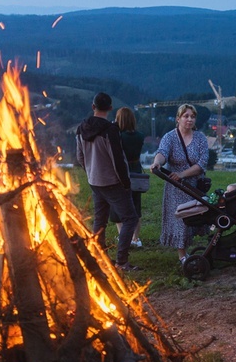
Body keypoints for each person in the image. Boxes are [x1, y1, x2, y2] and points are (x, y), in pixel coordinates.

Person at [76, 92, 140, 271]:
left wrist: (89, 170)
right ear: (110, 108)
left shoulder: (81, 128)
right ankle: (121, 261)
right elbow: (117, 159)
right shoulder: (110, 130)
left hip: (94, 180)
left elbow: (79, 155)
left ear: (93, 106)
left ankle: (100, 256)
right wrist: (125, 182)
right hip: (112, 181)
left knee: (100, 219)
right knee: (130, 218)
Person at [149, 104, 210, 264]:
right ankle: (182, 255)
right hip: (175, 187)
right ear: (178, 118)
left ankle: (190, 251)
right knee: (180, 220)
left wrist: (182, 174)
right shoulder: (170, 137)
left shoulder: (200, 138)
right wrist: (157, 163)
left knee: (195, 218)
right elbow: (162, 153)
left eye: (192, 116)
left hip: (194, 185)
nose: (189, 119)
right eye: (186, 116)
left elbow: (202, 163)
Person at [109, 107, 145, 248]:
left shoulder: (118, 137)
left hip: (121, 172)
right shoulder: (140, 136)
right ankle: (136, 239)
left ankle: (123, 237)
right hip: (136, 171)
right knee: (136, 207)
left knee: (118, 207)